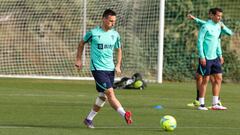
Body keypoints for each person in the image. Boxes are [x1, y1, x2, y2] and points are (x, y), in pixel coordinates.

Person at [75, 9, 132, 128]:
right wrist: (79, 59)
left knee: (103, 96)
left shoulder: (115, 34)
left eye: (114, 21)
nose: (113, 23)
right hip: (98, 69)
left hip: (110, 69)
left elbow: (119, 49)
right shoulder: (93, 33)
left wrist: (118, 65)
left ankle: (88, 119)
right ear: (104, 19)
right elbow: (81, 44)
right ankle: (124, 114)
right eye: (111, 21)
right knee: (110, 93)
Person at [187, 9, 233, 108]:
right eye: (218, 16)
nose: (220, 18)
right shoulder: (205, 26)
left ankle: (215, 103)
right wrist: (202, 56)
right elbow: (199, 42)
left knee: (218, 79)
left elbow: (229, 34)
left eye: (221, 16)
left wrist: (220, 55)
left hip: (215, 57)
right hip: (206, 58)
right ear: (211, 15)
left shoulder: (219, 26)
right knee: (205, 80)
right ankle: (201, 104)